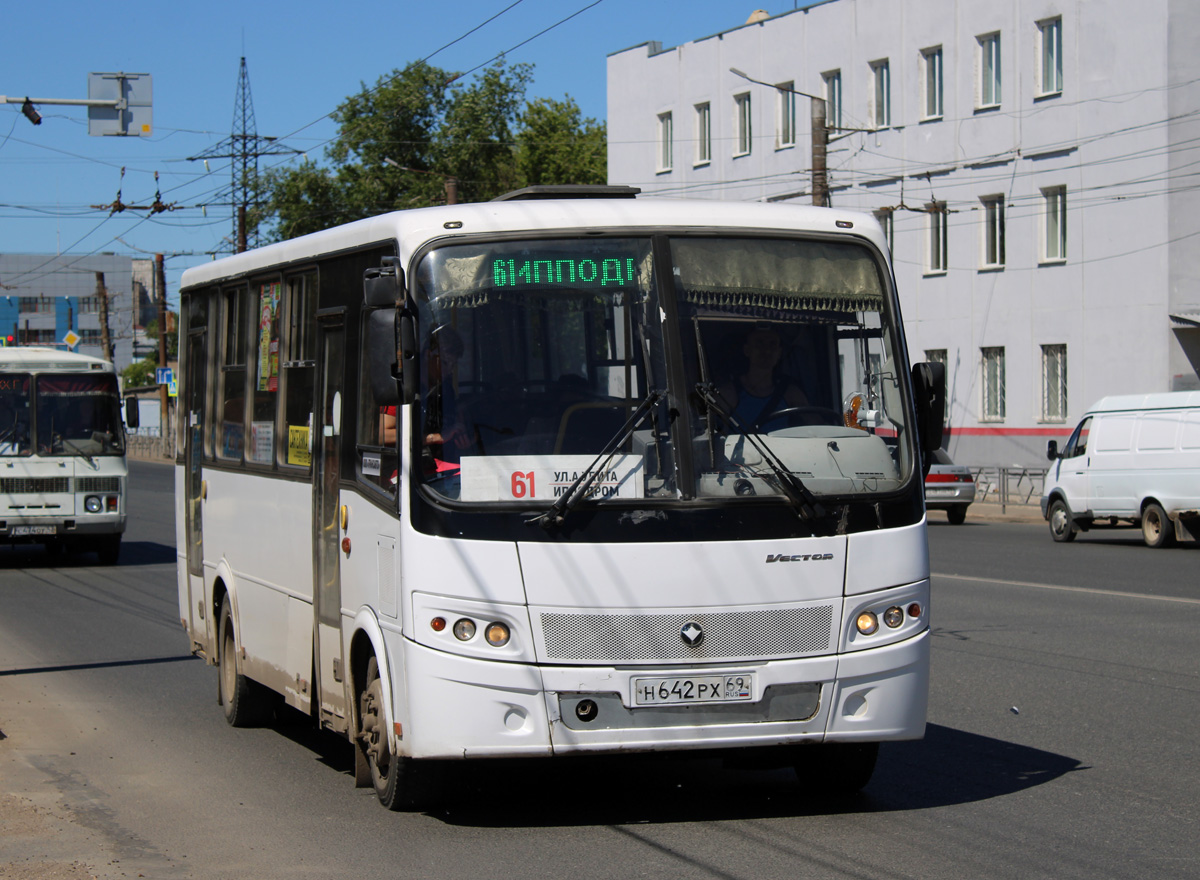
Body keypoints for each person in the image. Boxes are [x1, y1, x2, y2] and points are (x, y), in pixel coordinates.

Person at [717, 325, 809, 432]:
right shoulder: (728, 394)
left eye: (772, 344)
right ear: (747, 350)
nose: (767, 350)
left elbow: (818, 427)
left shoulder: (791, 393)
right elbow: (714, 436)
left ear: (779, 353)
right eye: (759, 343)